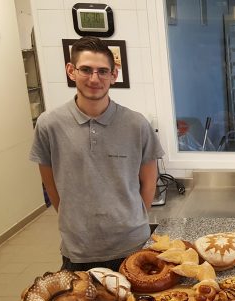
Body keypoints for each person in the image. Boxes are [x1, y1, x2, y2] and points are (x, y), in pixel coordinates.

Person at [29, 37, 164, 271]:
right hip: (79, 250)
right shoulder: (49, 124)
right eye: (86, 70)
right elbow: (51, 185)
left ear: (114, 75)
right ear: (71, 71)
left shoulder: (136, 124)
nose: (94, 78)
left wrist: (129, 219)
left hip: (132, 245)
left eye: (103, 71)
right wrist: (74, 220)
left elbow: (149, 182)